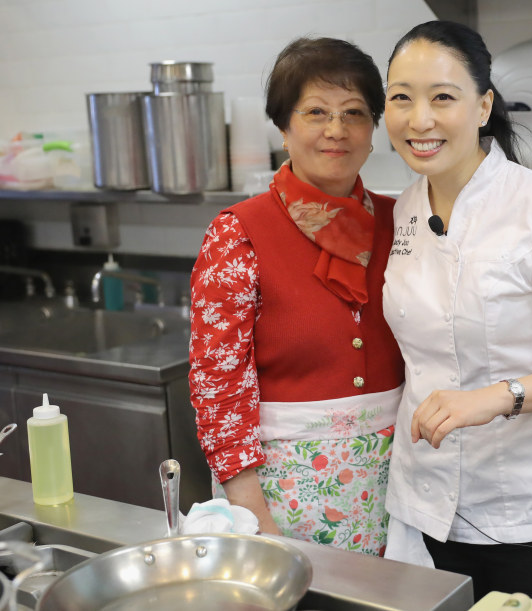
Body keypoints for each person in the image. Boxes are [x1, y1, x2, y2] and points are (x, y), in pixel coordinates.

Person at [381, 20, 532, 608]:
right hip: (425, 510)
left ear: (484, 105)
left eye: (443, 97)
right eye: (400, 98)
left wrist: (492, 398)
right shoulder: (404, 209)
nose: (420, 120)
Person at [188, 37, 404, 556]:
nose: (336, 130)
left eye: (354, 112)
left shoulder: (405, 222)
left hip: (403, 487)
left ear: (373, 131)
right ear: (284, 128)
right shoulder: (239, 233)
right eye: (316, 112)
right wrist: (253, 516)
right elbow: (219, 386)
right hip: (283, 496)